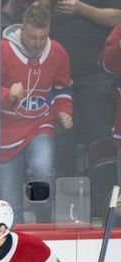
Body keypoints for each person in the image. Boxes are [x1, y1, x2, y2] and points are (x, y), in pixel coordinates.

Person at [0, 4, 73, 225]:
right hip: (5, 132)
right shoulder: (1, 50)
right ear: (22, 30)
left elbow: (63, 88)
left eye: (42, 37)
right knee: (9, 205)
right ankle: (17, 244)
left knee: (42, 169)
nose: (38, 43)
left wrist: (64, 111)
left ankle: (43, 215)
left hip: (40, 124)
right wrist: (6, 95)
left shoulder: (57, 51)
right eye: (32, 37)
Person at [49, 0, 121, 177]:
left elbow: (117, 17)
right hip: (59, 74)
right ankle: (63, 192)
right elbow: (37, 18)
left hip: (96, 72)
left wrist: (81, 8)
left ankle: (104, 192)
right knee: (62, 135)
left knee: (101, 133)